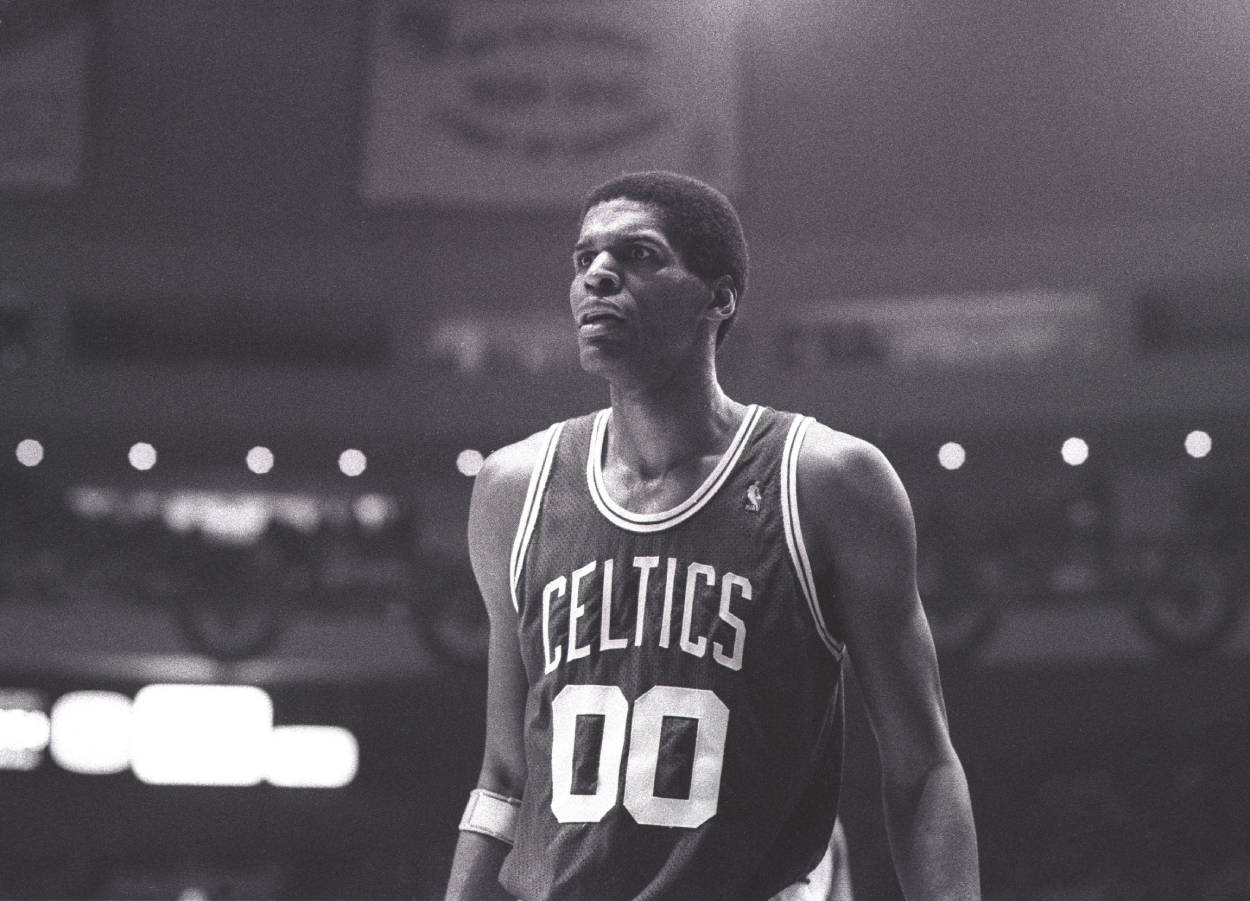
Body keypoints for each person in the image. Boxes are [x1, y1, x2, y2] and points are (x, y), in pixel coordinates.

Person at [444, 171, 980, 901]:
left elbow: (923, 769)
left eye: (638, 254)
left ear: (719, 297)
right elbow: (504, 779)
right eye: (583, 258)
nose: (598, 274)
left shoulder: (826, 481)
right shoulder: (513, 488)